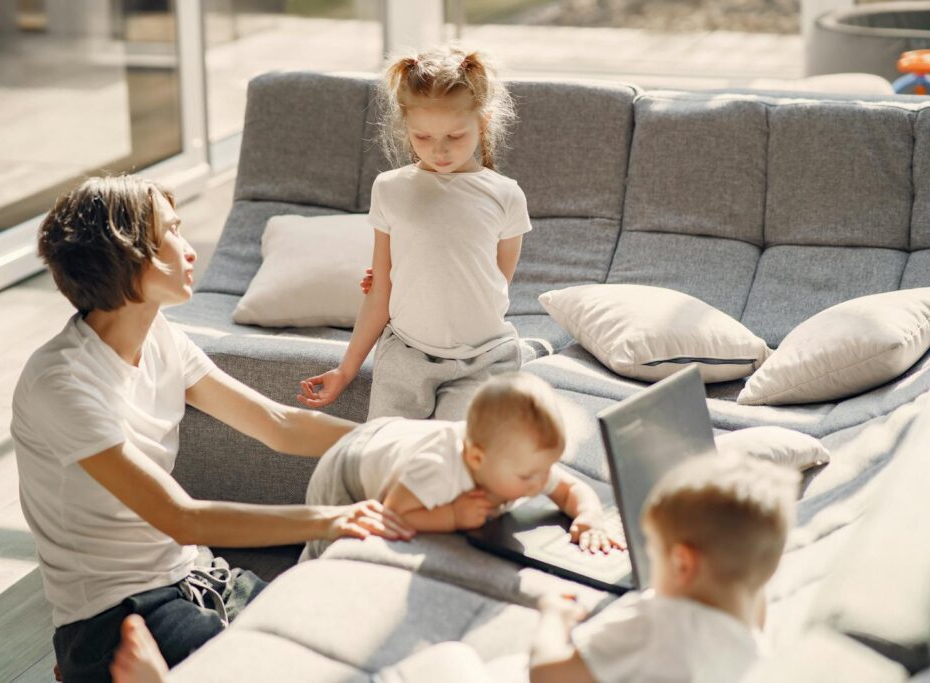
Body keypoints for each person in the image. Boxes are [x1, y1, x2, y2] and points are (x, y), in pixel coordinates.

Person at [12, 175, 413, 683]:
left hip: (197, 577)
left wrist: (399, 439)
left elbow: (278, 424)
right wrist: (331, 520)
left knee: (338, 648)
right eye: (171, 233)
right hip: (115, 616)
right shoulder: (61, 383)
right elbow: (182, 518)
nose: (188, 248)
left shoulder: (160, 339)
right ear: (127, 254)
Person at [297, 44, 531, 421]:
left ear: (482, 123)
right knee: (389, 460)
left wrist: (432, 273)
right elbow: (381, 292)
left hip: (483, 359)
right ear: (406, 128)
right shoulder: (389, 189)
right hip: (405, 356)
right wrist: (346, 369)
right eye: (422, 137)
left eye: (455, 136)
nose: (438, 151)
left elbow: (496, 282)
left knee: (460, 464)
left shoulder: (506, 195)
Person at [529, 453, 800, 683]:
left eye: (652, 552)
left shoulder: (653, 623)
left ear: (682, 563)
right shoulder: (758, 644)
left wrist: (553, 615)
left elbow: (547, 674)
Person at [300, 372, 627, 561]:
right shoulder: (439, 469)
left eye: (548, 468)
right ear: (476, 459)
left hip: (400, 440)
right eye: (529, 476)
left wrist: (590, 517)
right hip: (348, 470)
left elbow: (572, 489)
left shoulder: (526, 465)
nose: (541, 483)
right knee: (332, 542)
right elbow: (393, 512)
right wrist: (452, 516)